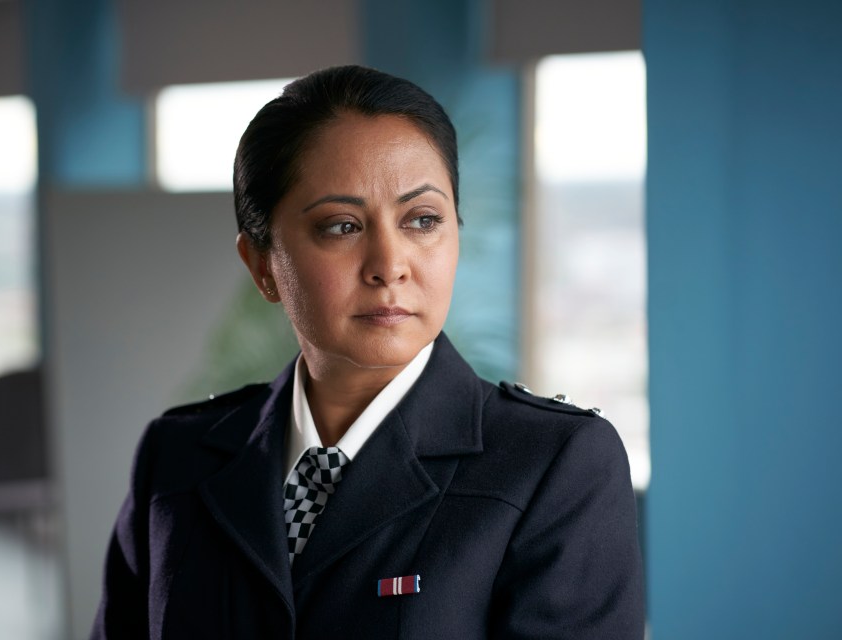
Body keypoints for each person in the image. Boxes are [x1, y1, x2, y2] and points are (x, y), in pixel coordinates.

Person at [91, 65, 644, 639]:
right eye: (341, 226)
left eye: (422, 220)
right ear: (262, 264)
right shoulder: (177, 457)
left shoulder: (554, 465)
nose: (390, 264)